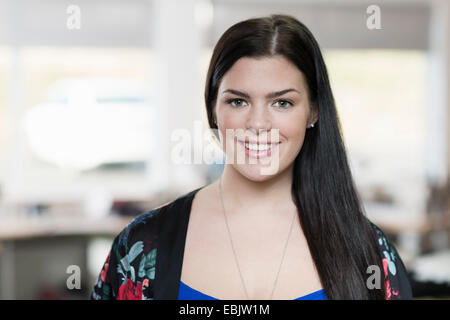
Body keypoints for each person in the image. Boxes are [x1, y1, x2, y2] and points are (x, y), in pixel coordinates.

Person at [91, 14, 412, 300]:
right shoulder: (142, 245)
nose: (258, 124)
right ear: (213, 110)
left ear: (313, 111)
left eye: (282, 103)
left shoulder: (368, 253)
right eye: (238, 102)